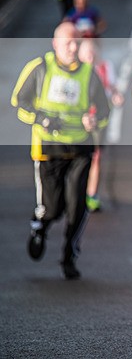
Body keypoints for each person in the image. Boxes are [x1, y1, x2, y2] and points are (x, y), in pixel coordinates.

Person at [11, 22, 111, 280]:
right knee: (53, 208)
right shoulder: (40, 68)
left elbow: (104, 110)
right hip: (48, 147)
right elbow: (19, 103)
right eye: (68, 43)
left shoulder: (88, 73)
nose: (73, 48)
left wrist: (94, 120)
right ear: (55, 44)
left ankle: (69, 255)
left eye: (77, 42)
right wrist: (41, 119)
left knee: (77, 205)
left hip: (80, 146)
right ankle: (40, 226)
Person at [78, 38, 125, 213]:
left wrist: (116, 95)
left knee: (96, 157)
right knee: (77, 157)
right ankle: (76, 192)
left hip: (99, 120)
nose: (90, 57)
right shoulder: (75, 70)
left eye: (93, 53)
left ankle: (92, 195)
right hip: (78, 121)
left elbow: (112, 87)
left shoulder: (105, 67)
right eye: (86, 53)